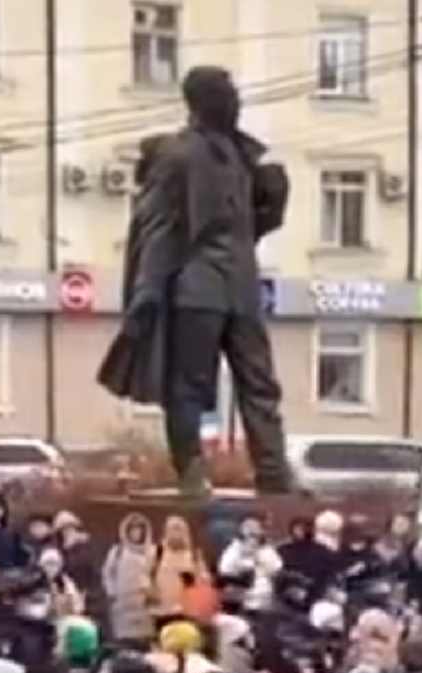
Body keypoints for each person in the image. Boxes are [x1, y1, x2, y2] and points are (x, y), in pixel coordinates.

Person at [98, 68, 294, 494]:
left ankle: (275, 476)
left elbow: (249, 227)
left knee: (260, 382)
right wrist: (146, 292)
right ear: (204, 102)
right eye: (228, 95)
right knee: (190, 386)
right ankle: (190, 471)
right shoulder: (177, 155)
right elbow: (158, 226)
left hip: (241, 285)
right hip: (196, 284)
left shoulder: (242, 155)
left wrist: (273, 200)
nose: (237, 102)